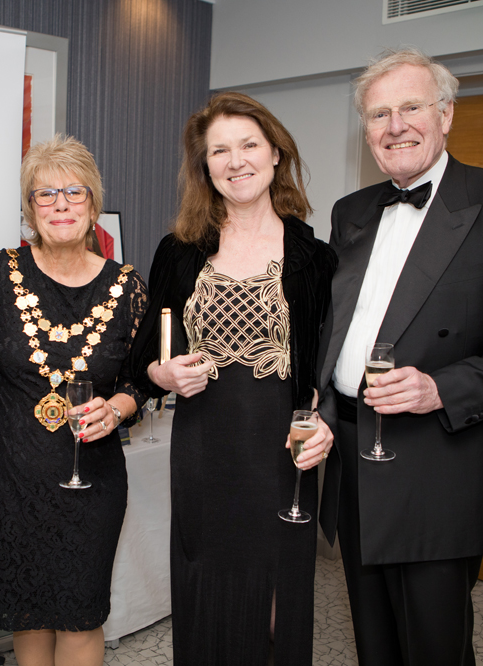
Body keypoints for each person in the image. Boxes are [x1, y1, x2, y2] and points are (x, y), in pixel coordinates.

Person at [316, 47, 483, 666]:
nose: (395, 125)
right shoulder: (351, 212)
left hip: (439, 464)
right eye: (379, 114)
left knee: (434, 647)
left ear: (446, 114)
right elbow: (337, 328)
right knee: (373, 642)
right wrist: (320, 406)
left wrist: (442, 388)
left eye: (411, 107)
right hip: (356, 458)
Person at [129, 92, 336, 666]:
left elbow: (326, 361)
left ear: (275, 155)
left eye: (248, 145)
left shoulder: (314, 257)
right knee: (206, 594)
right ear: (205, 168)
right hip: (204, 449)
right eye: (219, 150)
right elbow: (142, 358)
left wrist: (324, 418)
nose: (235, 160)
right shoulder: (178, 252)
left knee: (274, 604)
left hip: (280, 451)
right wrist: (161, 372)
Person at [0, 135, 147, 666]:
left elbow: (143, 380)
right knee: (29, 613)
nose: (61, 205)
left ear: (93, 205)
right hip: (12, 477)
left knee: (79, 612)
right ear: (28, 209)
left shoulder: (128, 287)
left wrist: (116, 408)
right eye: (44, 195)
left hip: (90, 479)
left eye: (74, 192)